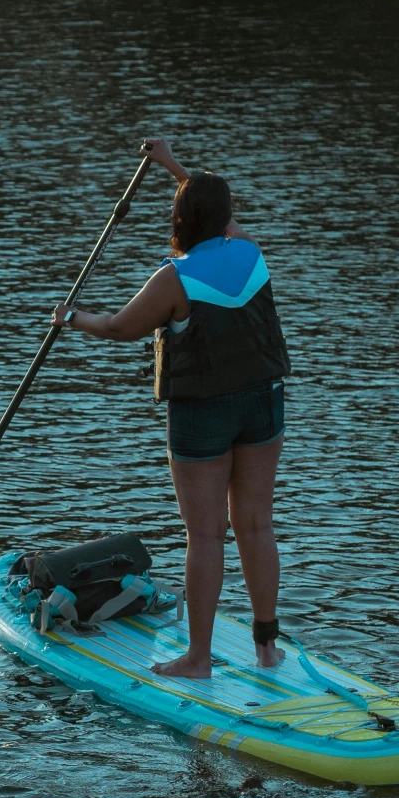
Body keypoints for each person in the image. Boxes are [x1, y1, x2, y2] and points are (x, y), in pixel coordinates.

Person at [55, 139, 292, 675]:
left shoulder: (174, 279)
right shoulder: (250, 252)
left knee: (206, 535)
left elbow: (120, 328)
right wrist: (172, 167)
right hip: (263, 404)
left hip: (203, 413)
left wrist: (71, 318)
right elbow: (218, 219)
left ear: (181, 218)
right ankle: (267, 647)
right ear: (226, 216)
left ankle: (199, 658)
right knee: (255, 525)